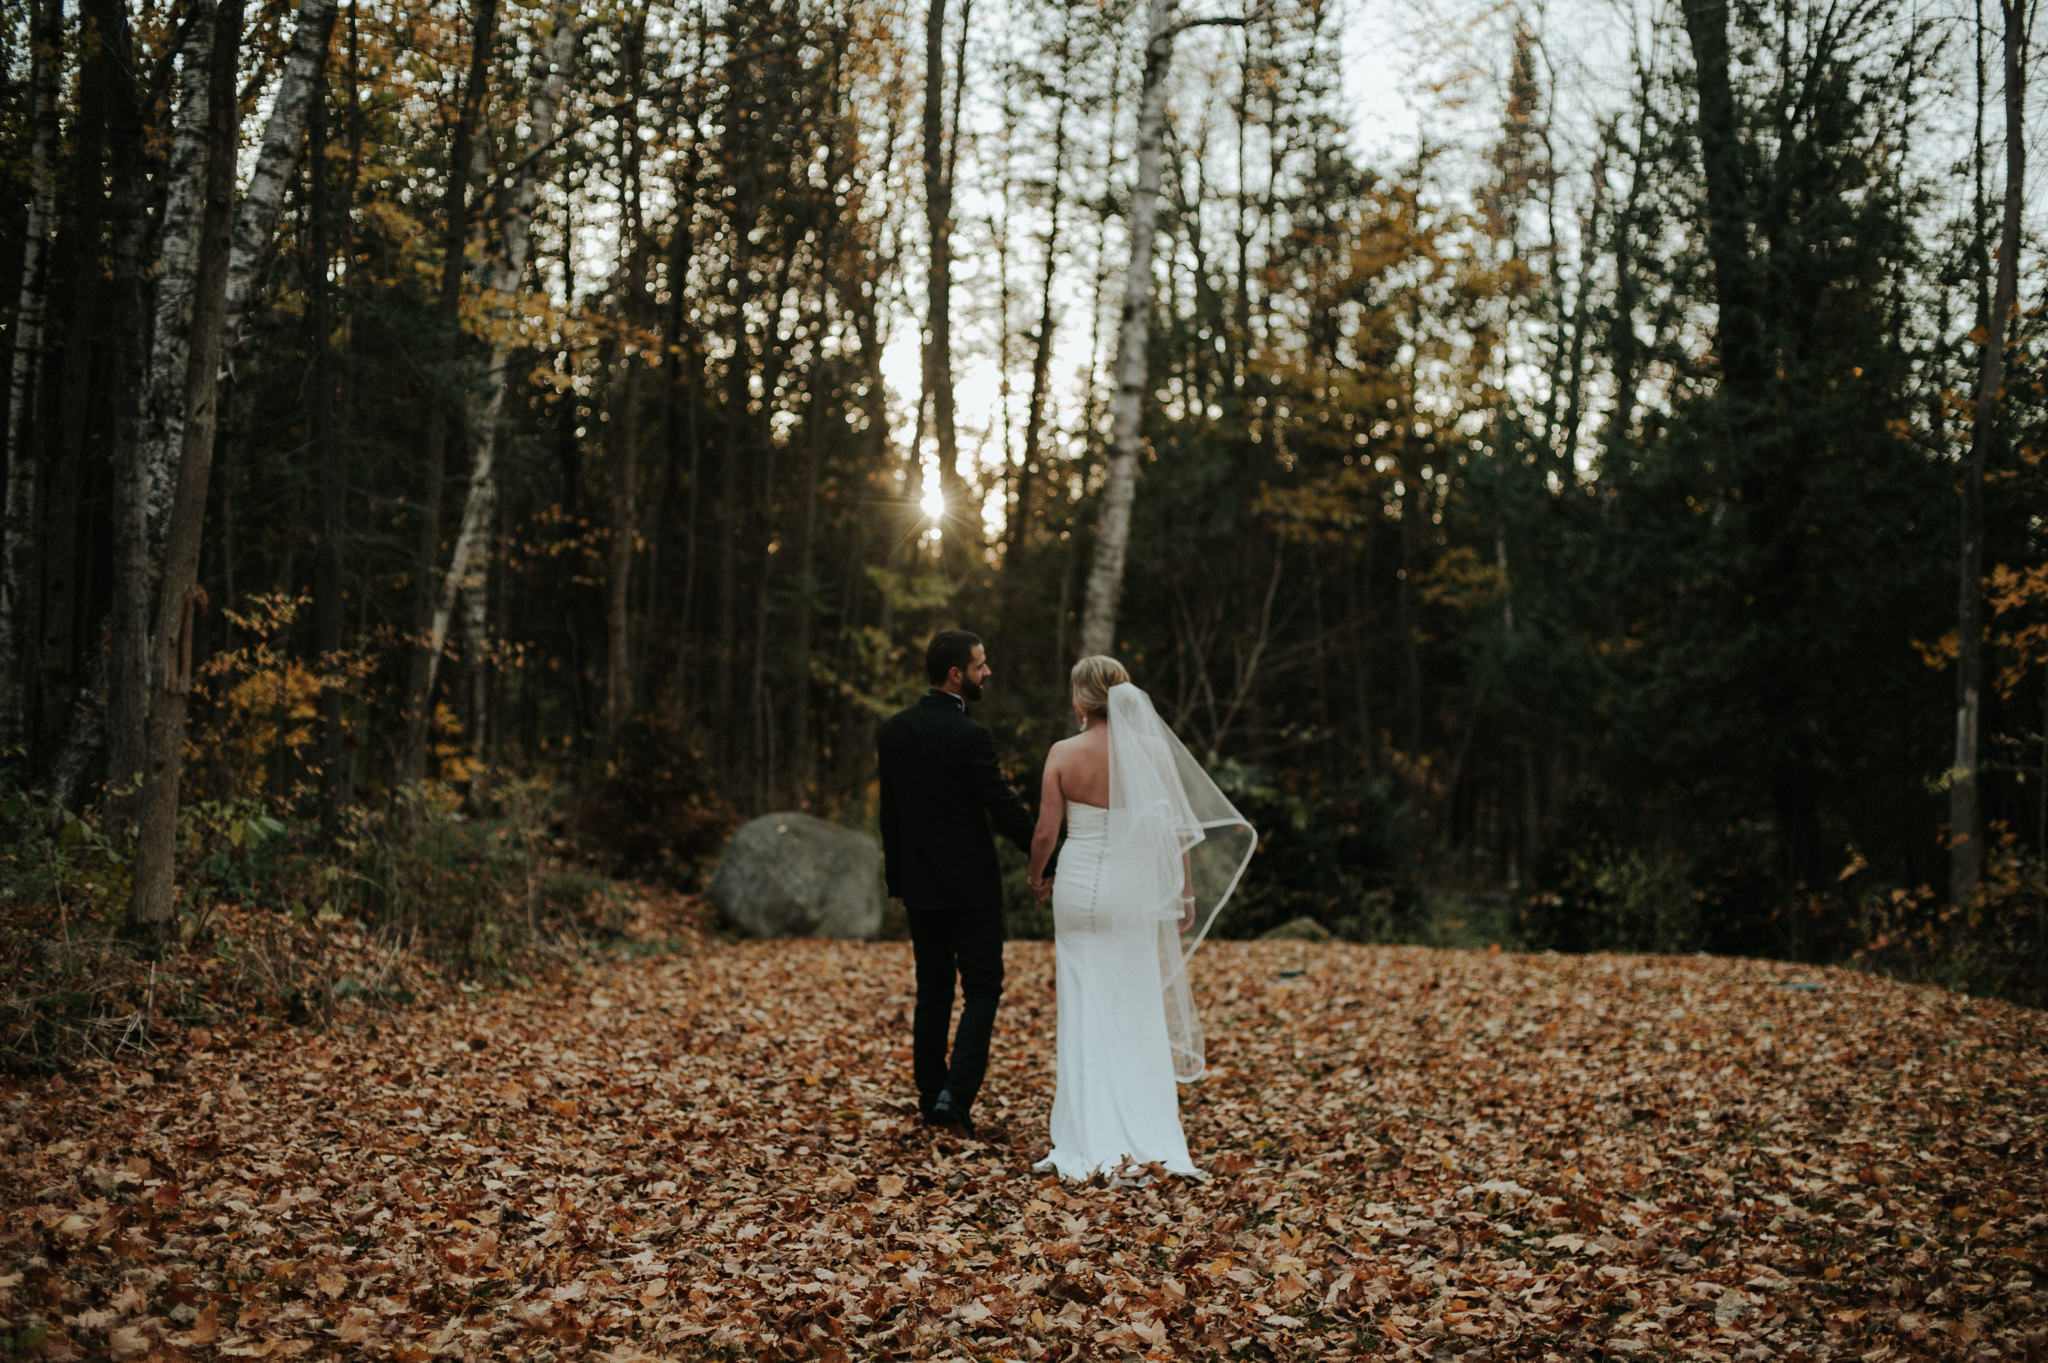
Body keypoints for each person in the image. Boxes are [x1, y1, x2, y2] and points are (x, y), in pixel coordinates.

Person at [1026, 656, 1256, 1182]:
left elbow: (1045, 833)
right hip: (1134, 894)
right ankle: (1145, 1129)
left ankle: (1084, 1135)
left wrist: (1037, 878)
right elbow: (1176, 829)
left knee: (1083, 1005)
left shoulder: (1063, 753)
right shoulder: (1152, 751)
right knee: (1133, 1003)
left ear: (1081, 699)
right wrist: (1184, 894)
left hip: (1082, 891)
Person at [876, 630, 1038, 1137]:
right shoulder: (971, 737)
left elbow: (890, 814)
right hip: (971, 887)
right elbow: (1004, 806)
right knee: (984, 988)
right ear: (956, 674)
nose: (986, 672)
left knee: (933, 990)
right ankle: (955, 1095)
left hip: (921, 884)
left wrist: (897, 877)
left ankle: (931, 1094)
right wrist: (1048, 852)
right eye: (980, 665)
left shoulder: (894, 731)